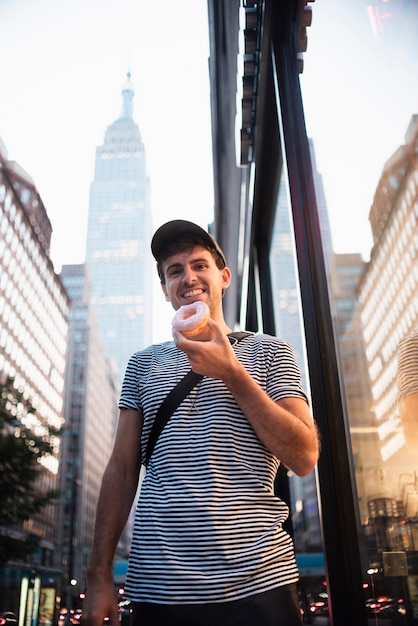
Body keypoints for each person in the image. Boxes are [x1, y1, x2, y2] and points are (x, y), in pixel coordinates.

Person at [82, 220, 320, 626]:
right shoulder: (143, 363)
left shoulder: (271, 352)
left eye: (199, 265)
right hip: (159, 587)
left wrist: (232, 372)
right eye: (174, 270)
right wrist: (98, 573)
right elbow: (121, 471)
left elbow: (304, 455)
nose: (188, 277)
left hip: (260, 582)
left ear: (223, 277)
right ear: (165, 289)